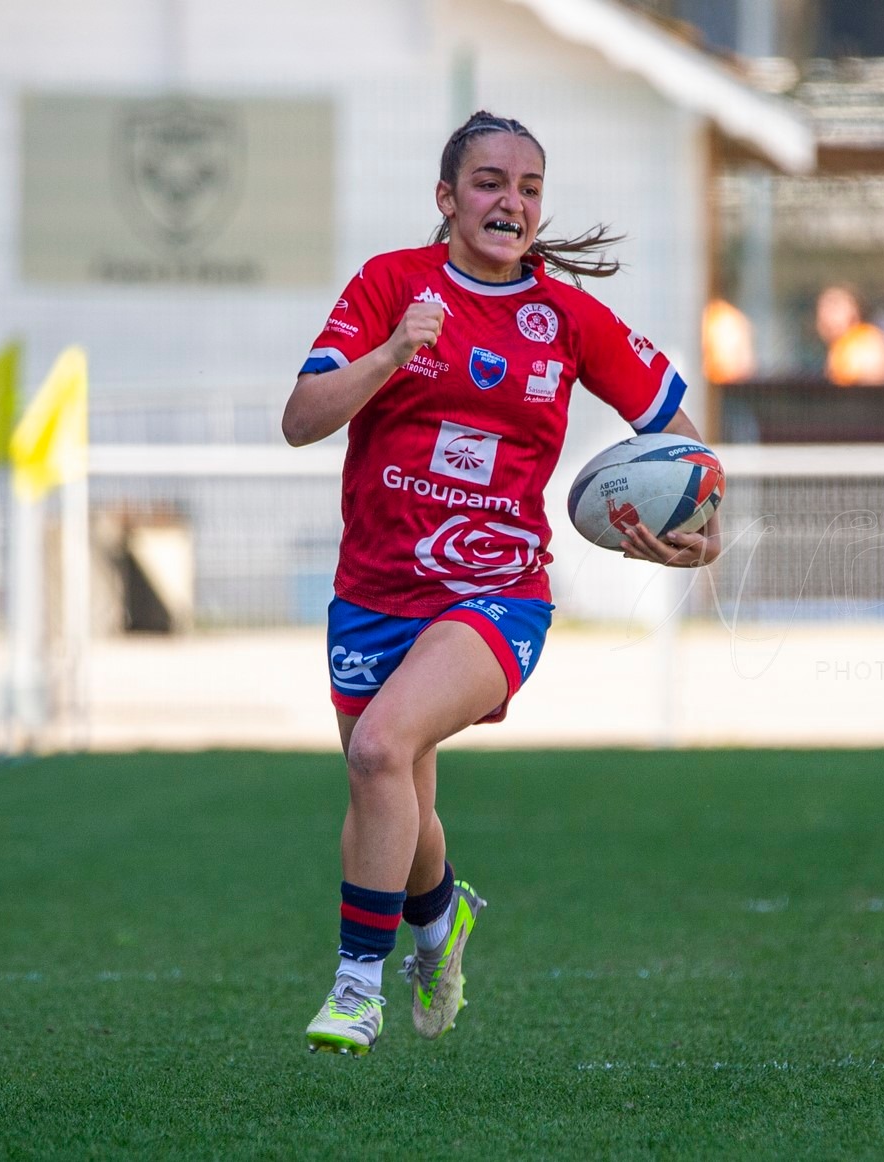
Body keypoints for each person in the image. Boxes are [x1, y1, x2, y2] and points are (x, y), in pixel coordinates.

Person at [283, 111, 720, 1056]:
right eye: (489, 183)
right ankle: (441, 921)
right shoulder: (390, 284)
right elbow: (301, 419)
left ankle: (356, 987)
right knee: (397, 791)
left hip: (497, 591)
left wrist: (700, 526)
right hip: (372, 591)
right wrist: (393, 352)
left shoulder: (567, 317)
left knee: (378, 753)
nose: (510, 203)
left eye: (528, 188)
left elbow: (683, 445)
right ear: (446, 199)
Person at [815, 284, 884, 387]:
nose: (825, 314)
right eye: (822, 307)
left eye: (834, 306)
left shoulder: (866, 343)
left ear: (855, 311)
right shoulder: (840, 347)